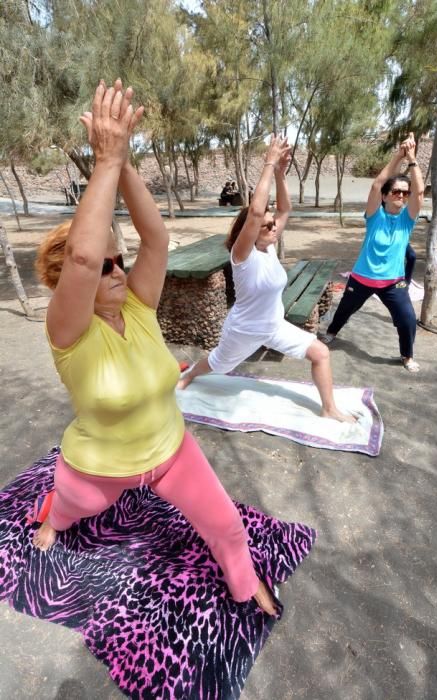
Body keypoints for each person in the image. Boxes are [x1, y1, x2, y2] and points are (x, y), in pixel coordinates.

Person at [33, 79, 277, 616]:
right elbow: (79, 258)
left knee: (227, 526)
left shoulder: (140, 306)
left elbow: (158, 240)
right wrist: (102, 162)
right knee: (71, 509)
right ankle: (51, 515)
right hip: (97, 469)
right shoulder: (69, 332)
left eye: (117, 260)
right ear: (68, 284)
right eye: (104, 266)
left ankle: (245, 585)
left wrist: (121, 163)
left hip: (170, 454)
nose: (116, 269)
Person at [178, 135, 354, 424]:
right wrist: (269, 163)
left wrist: (281, 175)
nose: (274, 227)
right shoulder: (242, 255)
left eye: (273, 226)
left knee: (321, 353)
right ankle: (189, 375)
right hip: (244, 330)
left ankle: (329, 408)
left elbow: (284, 210)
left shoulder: (268, 245)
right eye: (267, 226)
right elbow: (257, 212)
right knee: (217, 365)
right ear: (250, 230)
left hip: (273, 326)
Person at [321, 133, 424, 372]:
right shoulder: (375, 216)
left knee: (407, 319)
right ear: (387, 196)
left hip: (393, 283)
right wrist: (398, 156)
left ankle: (406, 356)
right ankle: (332, 332)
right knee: (345, 309)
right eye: (397, 192)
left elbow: (419, 194)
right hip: (362, 278)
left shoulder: (407, 220)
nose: (401, 195)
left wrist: (412, 159)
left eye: (405, 193)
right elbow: (377, 184)